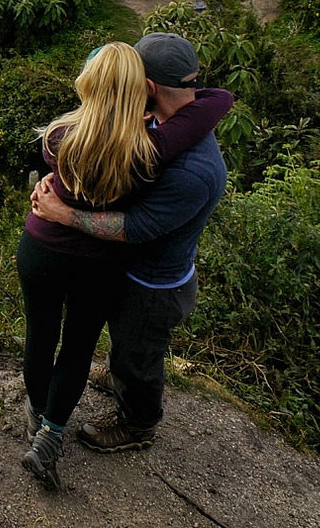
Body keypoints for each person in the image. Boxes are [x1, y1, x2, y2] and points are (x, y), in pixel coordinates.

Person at [17, 41, 232, 490]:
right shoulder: (146, 153)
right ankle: (52, 435)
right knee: (77, 348)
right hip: (96, 265)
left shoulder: (58, 137)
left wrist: (59, 207)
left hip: (47, 249)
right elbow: (189, 122)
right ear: (139, 90)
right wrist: (217, 99)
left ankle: (40, 413)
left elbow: (132, 220)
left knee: (41, 335)